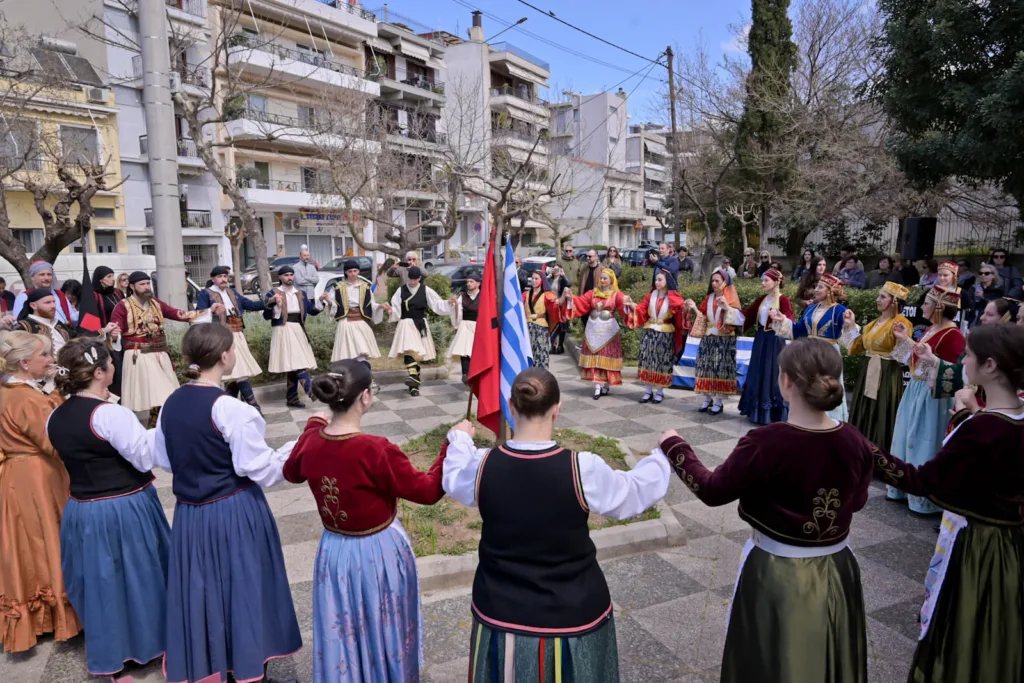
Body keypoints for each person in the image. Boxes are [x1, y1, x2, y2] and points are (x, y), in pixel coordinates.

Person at [657, 337, 874, 683]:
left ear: (786, 381)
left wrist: (675, 446)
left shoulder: (766, 442)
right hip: (839, 568)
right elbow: (858, 501)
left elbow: (713, 491)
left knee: (776, 659)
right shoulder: (855, 440)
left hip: (779, 572)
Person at [443, 368, 670, 682]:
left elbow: (452, 477)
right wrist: (663, 456)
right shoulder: (582, 468)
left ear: (510, 406)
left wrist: (459, 440)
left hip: (500, 610)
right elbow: (634, 493)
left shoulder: (482, 465)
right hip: (572, 614)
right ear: (557, 409)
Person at [873, 323, 1024, 683]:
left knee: (966, 622)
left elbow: (923, 481)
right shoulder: (1002, 420)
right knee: (1001, 623)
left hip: (978, 545)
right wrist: (972, 411)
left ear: (990, 366)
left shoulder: (981, 430)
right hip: (1012, 544)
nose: (963, 362)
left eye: (968, 356)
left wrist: (869, 454)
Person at [283, 360, 446, 683]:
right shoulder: (376, 449)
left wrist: (313, 425)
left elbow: (291, 472)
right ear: (366, 397)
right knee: (382, 619)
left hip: (334, 550)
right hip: (377, 552)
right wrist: (449, 449)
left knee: (343, 623)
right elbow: (427, 491)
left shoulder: (313, 441)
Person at [156, 323, 301, 683]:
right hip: (234, 508)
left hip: (190, 513)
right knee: (245, 587)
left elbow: (164, 457)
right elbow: (260, 471)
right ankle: (249, 666)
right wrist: (296, 448)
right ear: (224, 356)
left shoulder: (171, 403)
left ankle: (212, 662)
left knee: (203, 591)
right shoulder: (233, 410)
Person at [46, 339, 169, 677]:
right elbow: (145, 456)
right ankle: (152, 644)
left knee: (101, 584)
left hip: (82, 509)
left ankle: (114, 657)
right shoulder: (110, 414)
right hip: (124, 506)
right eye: (110, 363)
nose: (114, 367)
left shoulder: (54, 416)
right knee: (142, 576)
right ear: (100, 372)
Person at [0, 331, 82, 653]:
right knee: (47, 538)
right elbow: (54, 438)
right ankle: (57, 615)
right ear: (24, 363)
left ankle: (41, 617)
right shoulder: (25, 399)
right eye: (44, 355)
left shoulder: (11, 392)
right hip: (37, 476)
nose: (51, 360)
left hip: (18, 476)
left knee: (27, 544)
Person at [886, 285, 966, 515]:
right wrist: (905, 339)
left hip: (933, 396)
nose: (923, 307)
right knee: (907, 435)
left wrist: (932, 361)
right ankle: (904, 487)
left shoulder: (954, 335)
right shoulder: (932, 328)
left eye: (927, 303)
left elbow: (957, 372)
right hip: (917, 388)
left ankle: (922, 496)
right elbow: (918, 359)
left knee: (923, 438)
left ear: (939, 307)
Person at [111, 272, 198, 427]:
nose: (146, 287)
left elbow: (179, 314)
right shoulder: (122, 306)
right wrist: (113, 334)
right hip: (140, 355)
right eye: (142, 284)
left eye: (147, 283)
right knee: (162, 396)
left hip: (160, 354)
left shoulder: (156, 303)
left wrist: (209, 311)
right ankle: (150, 432)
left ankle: (154, 431)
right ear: (132, 286)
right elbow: (115, 330)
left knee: (164, 398)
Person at [839, 282, 914, 450]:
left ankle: (880, 451)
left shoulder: (901, 322)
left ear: (894, 302)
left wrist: (902, 339)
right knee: (864, 407)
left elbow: (904, 356)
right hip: (868, 369)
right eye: (878, 295)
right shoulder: (875, 323)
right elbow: (857, 346)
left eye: (883, 296)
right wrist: (851, 324)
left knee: (882, 409)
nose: (878, 299)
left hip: (887, 372)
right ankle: (860, 446)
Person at [769, 273, 851, 421]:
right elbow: (798, 330)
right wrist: (783, 320)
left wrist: (849, 324)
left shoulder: (839, 311)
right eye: (816, 287)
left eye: (820, 287)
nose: (816, 290)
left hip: (827, 355)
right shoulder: (811, 308)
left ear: (830, 291)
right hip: (809, 354)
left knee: (825, 388)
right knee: (808, 385)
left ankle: (829, 421)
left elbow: (848, 338)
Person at [196, 265, 267, 411]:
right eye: (220, 277)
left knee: (237, 373)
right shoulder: (206, 294)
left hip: (238, 334)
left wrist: (269, 302)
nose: (223, 279)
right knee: (239, 373)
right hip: (221, 336)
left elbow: (251, 305)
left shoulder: (232, 292)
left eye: (225, 276)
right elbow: (199, 315)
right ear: (213, 278)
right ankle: (254, 407)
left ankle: (227, 409)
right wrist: (212, 310)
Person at [561, 267, 633, 399]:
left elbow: (623, 307)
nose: (602, 280)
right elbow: (581, 302)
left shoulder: (616, 294)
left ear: (611, 281)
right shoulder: (593, 293)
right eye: (601, 278)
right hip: (593, 329)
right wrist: (572, 298)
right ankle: (597, 386)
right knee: (595, 358)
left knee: (606, 358)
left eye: (605, 278)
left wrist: (628, 304)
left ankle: (605, 385)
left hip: (608, 331)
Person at [737, 269, 793, 424]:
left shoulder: (783, 300)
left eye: (766, 280)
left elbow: (789, 319)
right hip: (761, 338)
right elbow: (747, 315)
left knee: (772, 373)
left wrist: (781, 319)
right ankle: (756, 411)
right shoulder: (762, 299)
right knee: (758, 371)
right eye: (762, 280)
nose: (763, 283)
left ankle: (773, 413)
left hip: (774, 340)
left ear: (776, 282)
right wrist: (727, 310)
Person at [686, 268, 745, 415]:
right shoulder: (709, 298)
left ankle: (718, 401)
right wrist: (694, 308)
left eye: (717, 281)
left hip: (724, 339)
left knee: (720, 370)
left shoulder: (730, 298)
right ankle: (707, 398)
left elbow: (739, 318)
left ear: (725, 282)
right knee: (704, 367)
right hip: (708, 337)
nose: (714, 283)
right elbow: (704, 317)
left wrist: (727, 308)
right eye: (712, 281)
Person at [387, 266, 451, 397]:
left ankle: (414, 384)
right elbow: (396, 307)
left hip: (420, 324)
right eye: (410, 279)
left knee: (417, 354)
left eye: (414, 280)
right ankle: (414, 379)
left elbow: (437, 304)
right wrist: (390, 311)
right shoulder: (401, 290)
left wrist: (449, 303)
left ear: (419, 278)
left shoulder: (425, 290)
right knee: (409, 351)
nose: (411, 282)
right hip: (406, 323)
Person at [628, 271, 690, 404]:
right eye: (656, 280)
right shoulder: (650, 296)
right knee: (647, 360)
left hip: (665, 333)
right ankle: (648, 391)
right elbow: (641, 309)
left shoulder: (674, 297)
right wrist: (632, 304)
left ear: (667, 281)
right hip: (650, 331)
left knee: (662, 362)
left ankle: (660, 392)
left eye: (660, 280)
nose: (657, 282)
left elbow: (680, 312)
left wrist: (685, 308)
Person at [264, 265, 320, 408]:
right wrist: (272, 304)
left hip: (298, 329)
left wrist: (323, 302)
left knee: (294, 364)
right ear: (280, 277)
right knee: (297, 362)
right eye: (286, 275)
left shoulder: (300, 293)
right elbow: (266, 315)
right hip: (283, 328)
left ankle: (292, 398)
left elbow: (312, 310)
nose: (289, 277)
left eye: (291, 274)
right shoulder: (273, 293)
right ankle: (311, 391)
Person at [318, 260, 389, 373]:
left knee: (362, 352)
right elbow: (332, 305)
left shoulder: (365, 287)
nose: (353, 274)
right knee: (348, 353)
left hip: (360, 322)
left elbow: (371, 304)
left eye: (355, 271)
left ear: (358, 271)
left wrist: (381, 306)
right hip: (346, 322)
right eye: (350, 271)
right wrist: (328, 301)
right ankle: (357, 380)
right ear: (346, 272)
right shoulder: (338, 287)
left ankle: (366, 380)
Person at [11, 260, 77, 324]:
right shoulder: (24, 297)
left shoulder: (60, 294)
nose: (46, 278)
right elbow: (18, 322)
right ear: (32, 277)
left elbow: (71, 316)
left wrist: (84, 312)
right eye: (42, 275)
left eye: (49, 274)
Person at [447, 271, 481, 384]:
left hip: (478, 326)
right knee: (464, 350)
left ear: (478, 284)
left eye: (471, 282)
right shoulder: (463, 297)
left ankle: (475, 373)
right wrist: (455, 304)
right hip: (465, 325)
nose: (469, 284)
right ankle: (465, 373)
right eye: (467, 282)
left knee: (475, 351)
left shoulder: (483, 296)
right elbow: (458, 312)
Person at [523, 270, 560, 370]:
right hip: (527, 327)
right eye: (533, 278)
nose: (534, 281)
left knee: (541, 353)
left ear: (542, 280)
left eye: (536, 279)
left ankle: (541, 375)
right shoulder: (525, 294)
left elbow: (556, 307)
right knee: (527, 352)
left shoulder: (547, 295)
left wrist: (563, 298)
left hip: (541, 327)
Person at [546, 264, 571, 355]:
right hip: (551, 305)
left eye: (558, 269)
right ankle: (553, 346)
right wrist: (548, 274)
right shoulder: (550, 279)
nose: (556, 271)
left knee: (561, 326)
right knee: (552, 325)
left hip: (561, 305)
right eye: (554, 269)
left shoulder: (562, 280)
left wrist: (563, 275)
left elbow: (569, 284)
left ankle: (560, 346)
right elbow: (544, 286)